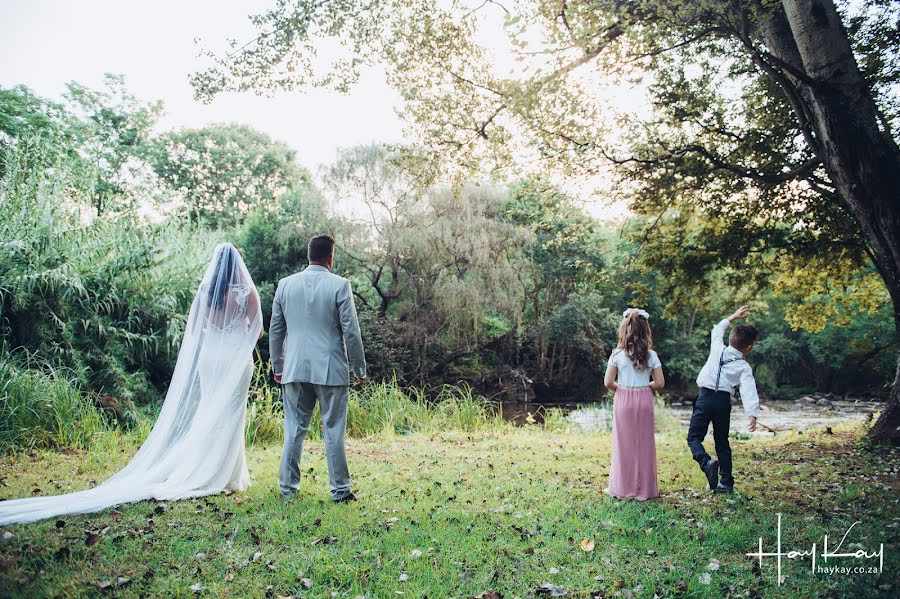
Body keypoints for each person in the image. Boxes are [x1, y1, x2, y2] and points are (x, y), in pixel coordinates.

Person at [0, 243, 262, 526]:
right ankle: (227, 475)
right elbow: (257, 329)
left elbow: (196, 331)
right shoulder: (245, 293)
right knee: (232, 413)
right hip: (234, 358)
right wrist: (237, 333)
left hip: (210, 358)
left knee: (209, 408)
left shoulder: (205, 292)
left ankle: (206, 469)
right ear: (237, 265)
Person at [269, 234, 366, 503]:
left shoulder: (285, 285)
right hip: (331, 368)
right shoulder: (340, 285)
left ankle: (288, 489)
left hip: (294, 368)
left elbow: (276, 331)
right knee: (333, 429)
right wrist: (359, 369)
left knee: (294, 429)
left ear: (309, 254)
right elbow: (352, 332)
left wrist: (278, 365)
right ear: (330, 257)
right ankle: (340, 490)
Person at [688, 305, 759, 494]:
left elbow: (717, 329)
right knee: (722, 442)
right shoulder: (743, 367)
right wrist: (751, 414)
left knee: (694, 438)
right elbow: (748, 390)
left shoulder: (717, 348)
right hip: (722, 402)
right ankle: (726, 483)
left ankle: (706, 462)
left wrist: (734, 316)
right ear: (749, 347)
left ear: (730, 339)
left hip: (704, 397)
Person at [603, 308, 664, 501]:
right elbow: (660, 383)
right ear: (645, 329)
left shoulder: (617, 355)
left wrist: (622, 389)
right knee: (644, 445)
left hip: (623, 399)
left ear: (625, 329)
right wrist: (644, 386)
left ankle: (623, 488)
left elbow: (608, 382)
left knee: (623, 444)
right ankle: (644, 490)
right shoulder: (651, 355)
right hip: (644, 398)